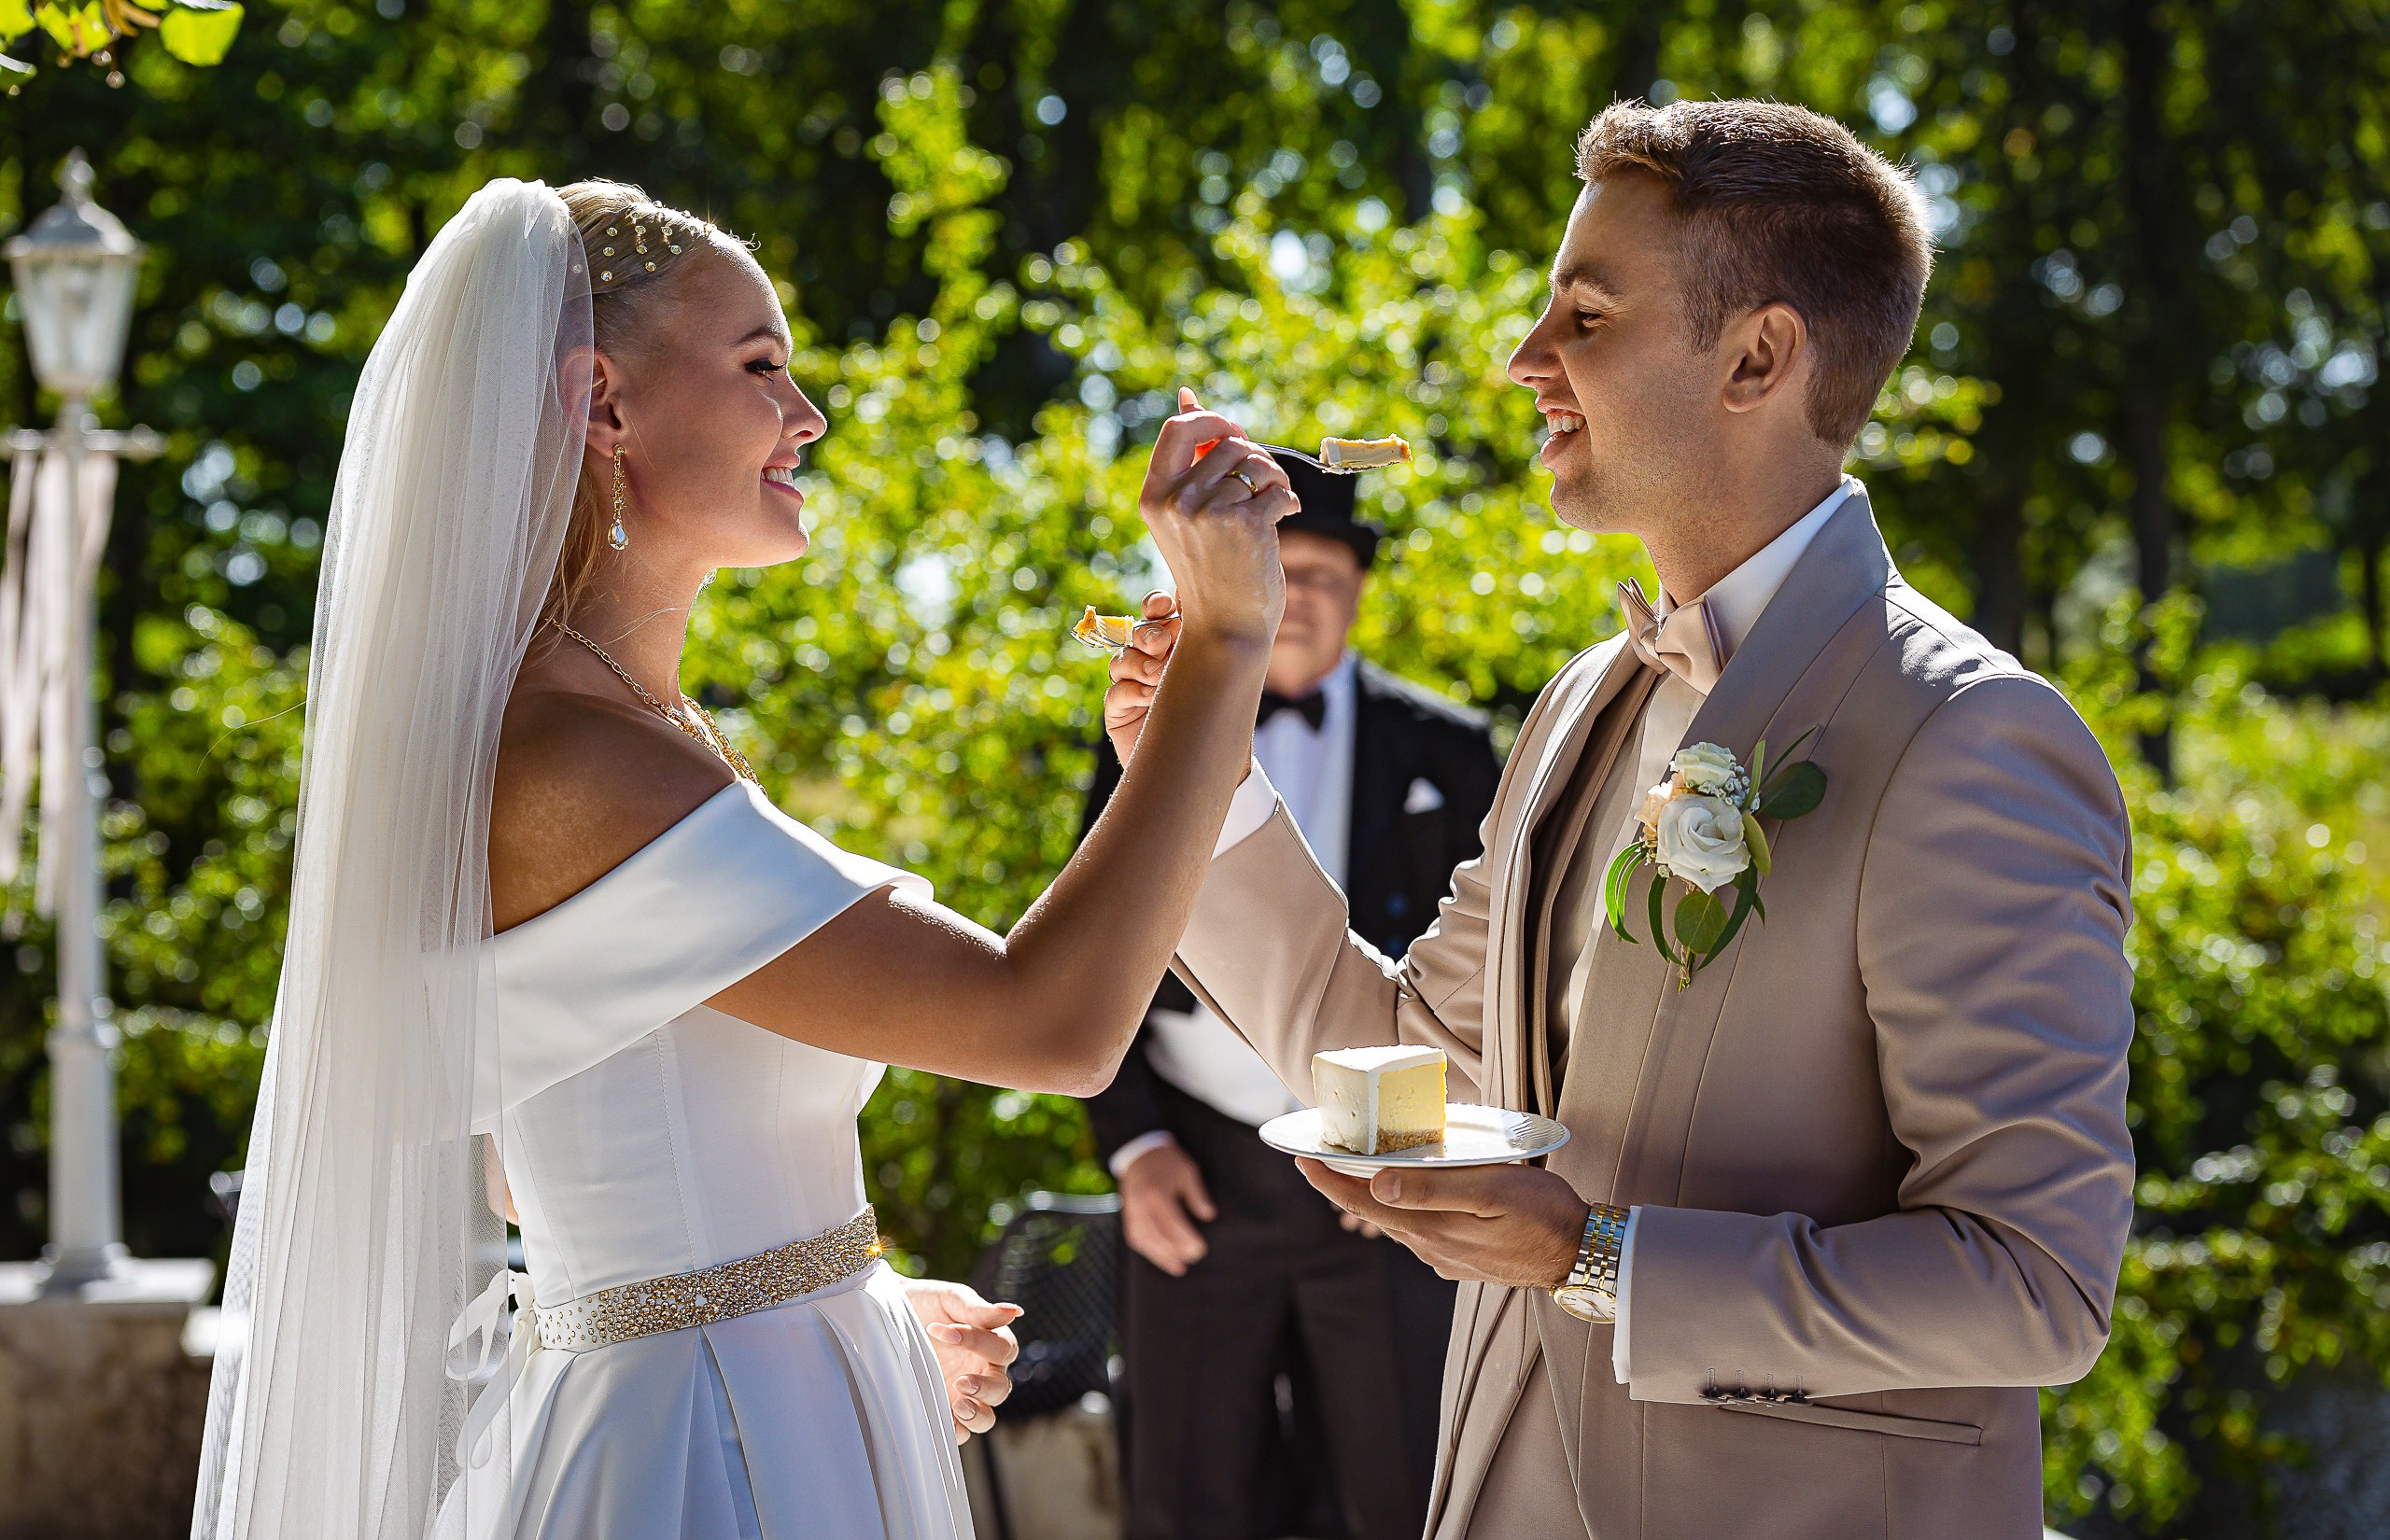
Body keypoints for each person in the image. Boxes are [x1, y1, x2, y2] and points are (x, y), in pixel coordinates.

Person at [191, 177, 1298, 1540]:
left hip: (750, 1402)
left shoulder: (639, 732)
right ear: (604, 405)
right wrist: (1226, 653)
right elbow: (1051, 1021)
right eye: (762, 366)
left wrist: (859, 1312)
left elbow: (549, 1169)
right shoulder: (579, 764)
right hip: (702, 1453)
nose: (808, 415)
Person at [1104, 100, 2135, 1540]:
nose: (1526, 362)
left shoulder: (1970, 737)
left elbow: (2038, 1283)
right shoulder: (1583, 702)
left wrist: (1599, 1259)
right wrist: (1201, 777)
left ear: (1759, 356)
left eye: (1582, 316)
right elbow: (1419, 1067)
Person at [1080, 451, 1499, 1540]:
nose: (1301, 595)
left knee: (1399, 1482)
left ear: (1358, 591)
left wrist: (1422, 1158)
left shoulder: (1448, 749)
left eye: (1324, 574)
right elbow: (1089, 936)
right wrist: (1135, 1150)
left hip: (1392, 1177)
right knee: (1186, 1490)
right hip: (1200, 1171)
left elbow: (1490, 979)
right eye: (1280, 568)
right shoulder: (1148, 725)